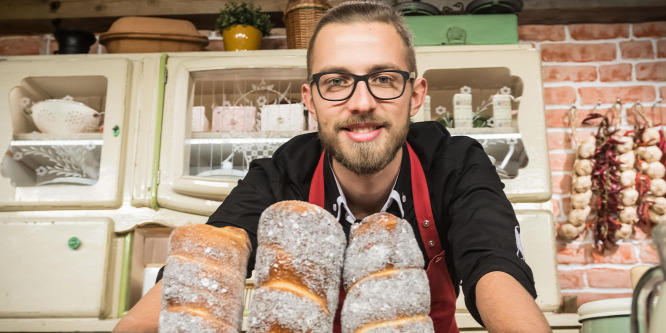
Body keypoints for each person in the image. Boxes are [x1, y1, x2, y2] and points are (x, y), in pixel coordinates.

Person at [114, 1, 551, 332]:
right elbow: (206, 265)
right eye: (337, 81)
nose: (362, 103)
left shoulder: (454, 162)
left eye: (383, 78)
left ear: (415, 95)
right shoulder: (282, 174)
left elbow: (492, 267)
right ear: (310, 99)